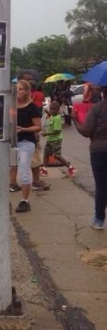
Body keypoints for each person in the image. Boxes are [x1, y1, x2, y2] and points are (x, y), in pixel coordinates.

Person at [71, 86, 107, 229]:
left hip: (99, 151)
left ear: (103, 92)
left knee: (102, 186)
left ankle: (99, 220)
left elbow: (86, 131)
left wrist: (74, 119)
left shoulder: (97, 108)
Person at [9, 80, 42, 212]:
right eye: (16, 89)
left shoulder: (31, 107)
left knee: (23, 170)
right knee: (11, 167)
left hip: (26, 142)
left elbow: (38, 127)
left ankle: (24, 200)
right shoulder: (11, 105)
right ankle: (12, 188)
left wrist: (23, 129)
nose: (18, 91)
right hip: (11, 142)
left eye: (21, 89)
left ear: (27, 91)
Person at [41, 101, 77, 177]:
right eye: (51, 109)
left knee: (57, 156)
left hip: (56, 140)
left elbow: (57, 131)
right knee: (46, 154)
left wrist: (46, 133)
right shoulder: (53, 116)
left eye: (54, 109)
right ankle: (44, 169)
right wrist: (47, 112)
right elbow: (51, 117)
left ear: (58, 110)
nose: (52, 110)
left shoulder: (57, 118)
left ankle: (70, 168)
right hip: (50, 139)